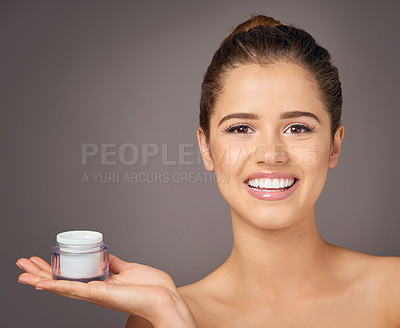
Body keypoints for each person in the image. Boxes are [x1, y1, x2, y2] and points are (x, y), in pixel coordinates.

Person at [16, 14, 400, 327]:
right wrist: (174, 319)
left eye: (297, 128)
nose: (270, 153)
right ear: (206, 148)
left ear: (334, 143)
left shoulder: (393, 291)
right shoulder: (157, 317)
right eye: (240, 128)